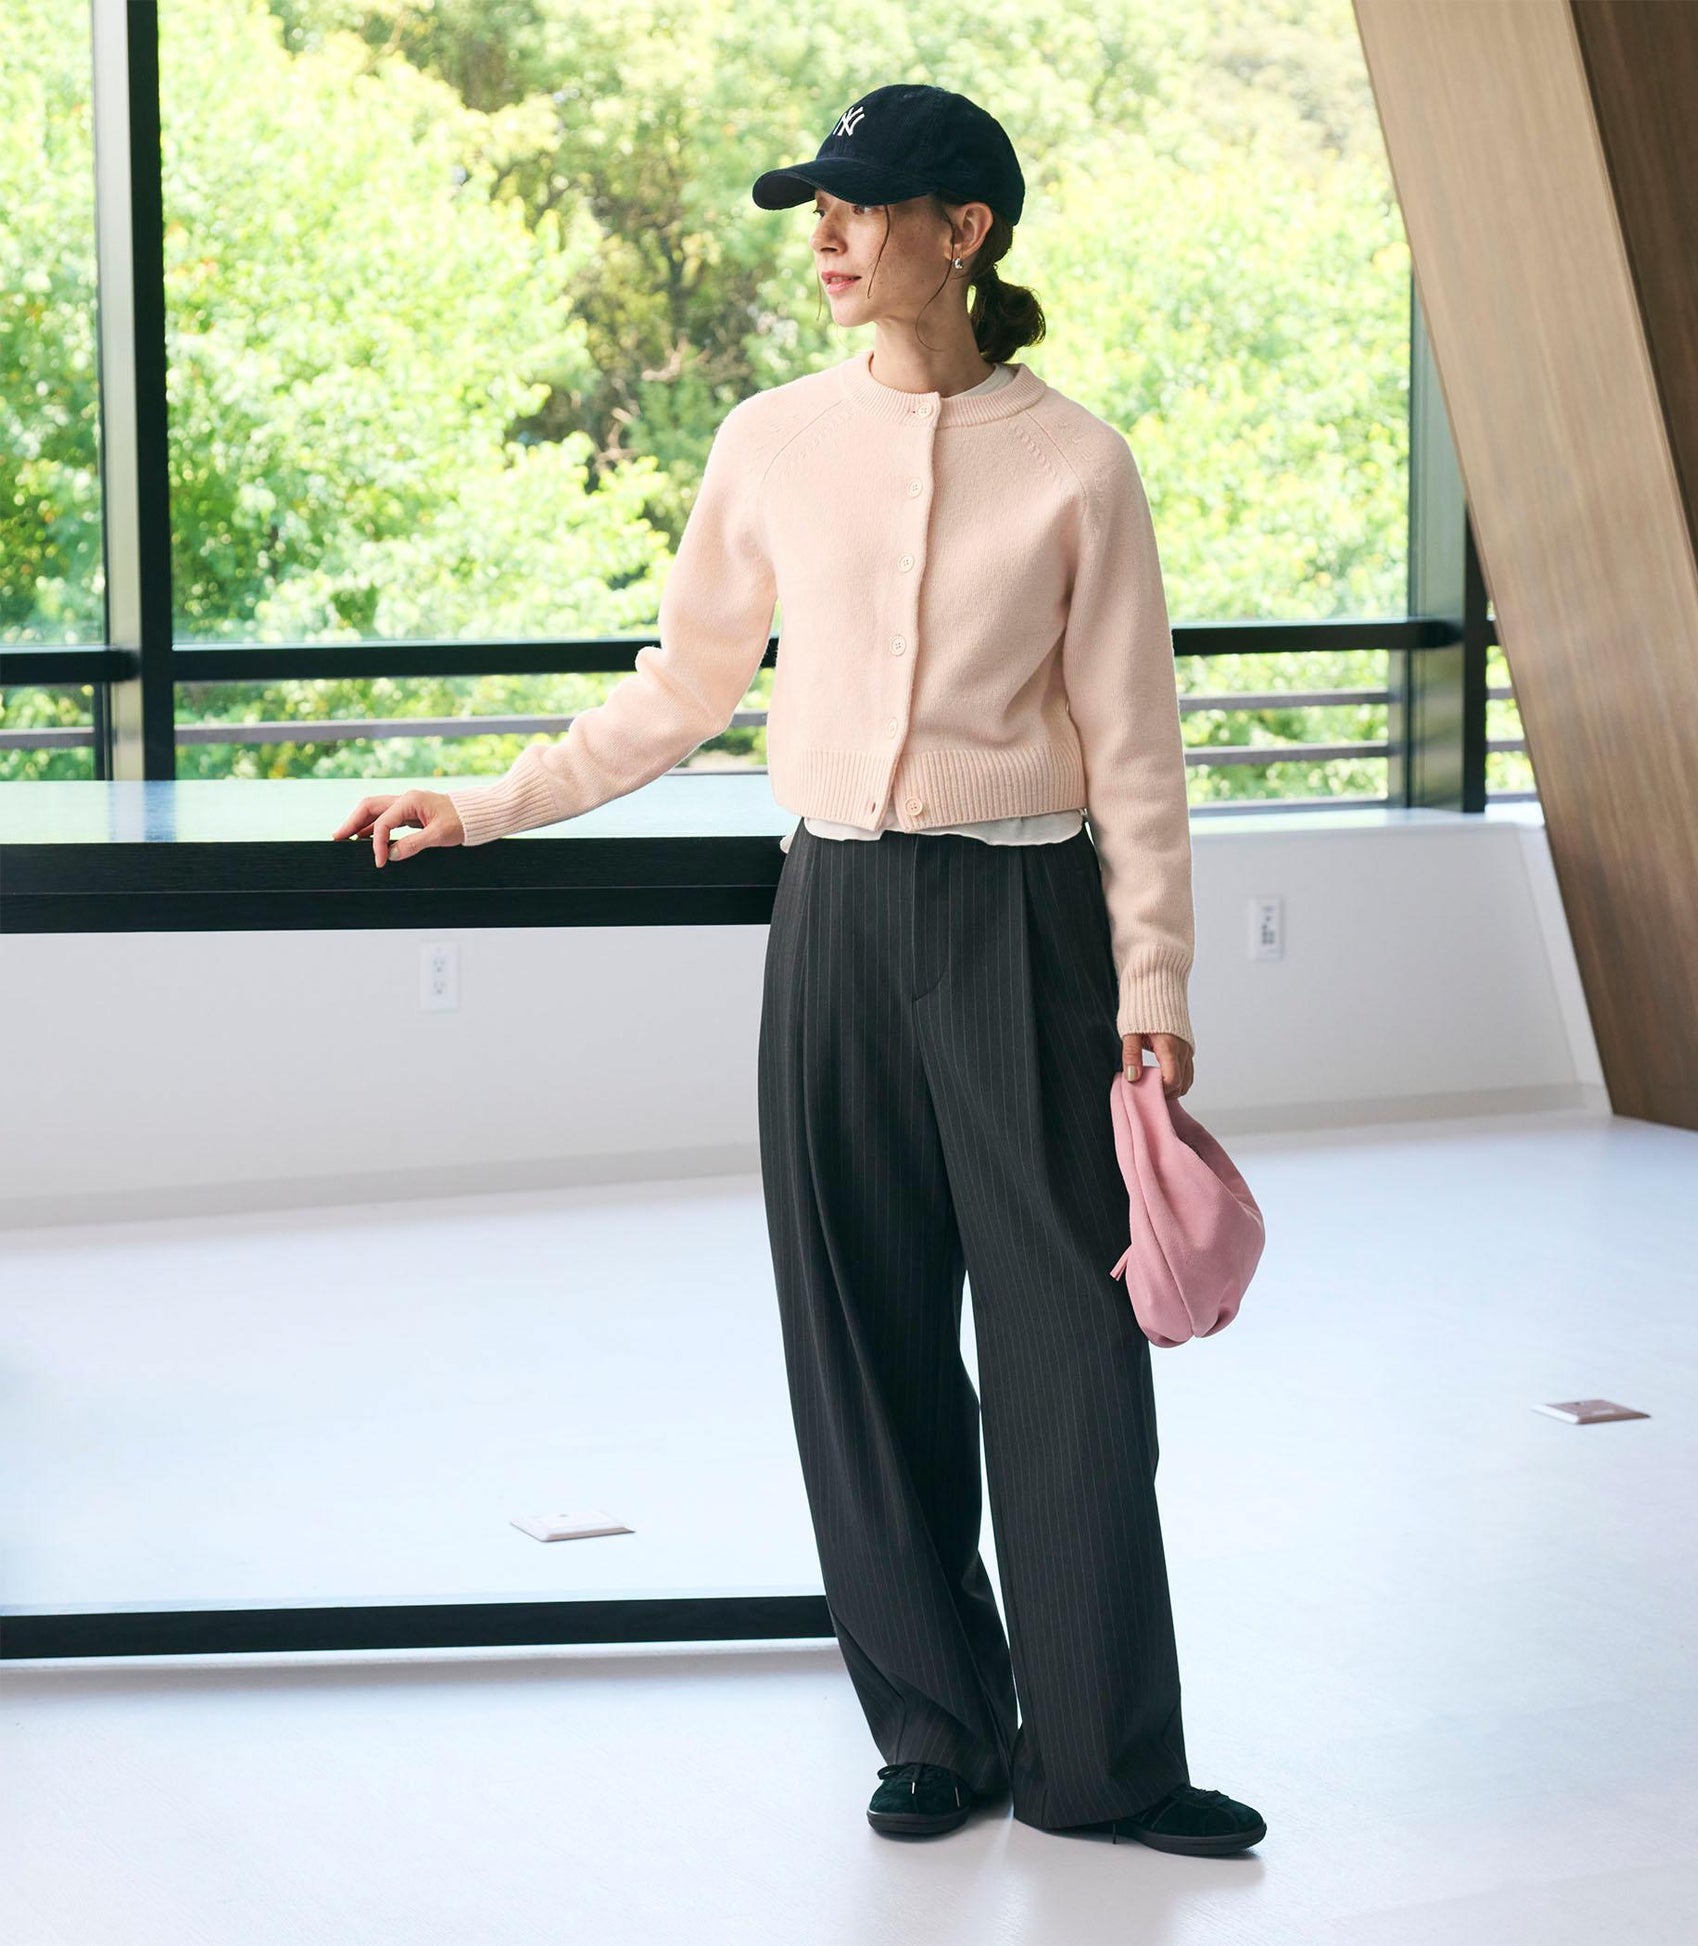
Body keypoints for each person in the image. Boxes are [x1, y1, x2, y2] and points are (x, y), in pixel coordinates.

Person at [332, 81, 1264, 1858]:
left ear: (963, 233)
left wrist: (1154, 983)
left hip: (1024, 926)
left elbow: (1135, 749)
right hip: (831, 918)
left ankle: (1105, 1763)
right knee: (860, 1331)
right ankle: (932, 1725)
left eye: (861, 204)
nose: (824, 235)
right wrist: (488, 802)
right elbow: (681, 687)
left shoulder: (1077, 463)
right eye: (815, 208)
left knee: (1071, 1348)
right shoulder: (771, 441)